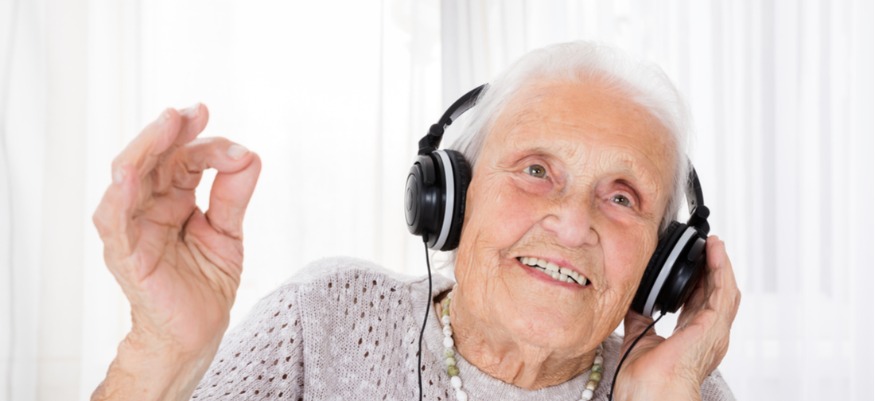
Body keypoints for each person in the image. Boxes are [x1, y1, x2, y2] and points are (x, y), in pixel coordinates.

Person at [91, 41, 740, 401]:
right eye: (536, 169)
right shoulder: (324, 319)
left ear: (662, 261)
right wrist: (161, 351)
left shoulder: (679, 383)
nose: (571, 225)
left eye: (622, 198)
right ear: (452, 196)